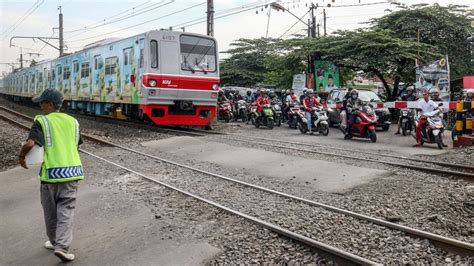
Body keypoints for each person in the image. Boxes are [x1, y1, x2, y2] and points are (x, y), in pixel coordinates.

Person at [18, 89, 83, 262]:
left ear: (50, 104)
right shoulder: (73, 121)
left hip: (51, 174)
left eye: (42, 102)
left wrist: (21, 155)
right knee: (66, 210)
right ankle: (59, 245)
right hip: (72, 173)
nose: (40, 106)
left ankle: (58, 244)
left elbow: (31, 143)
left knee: (50, 210)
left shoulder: (42, 121)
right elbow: (77, 145)